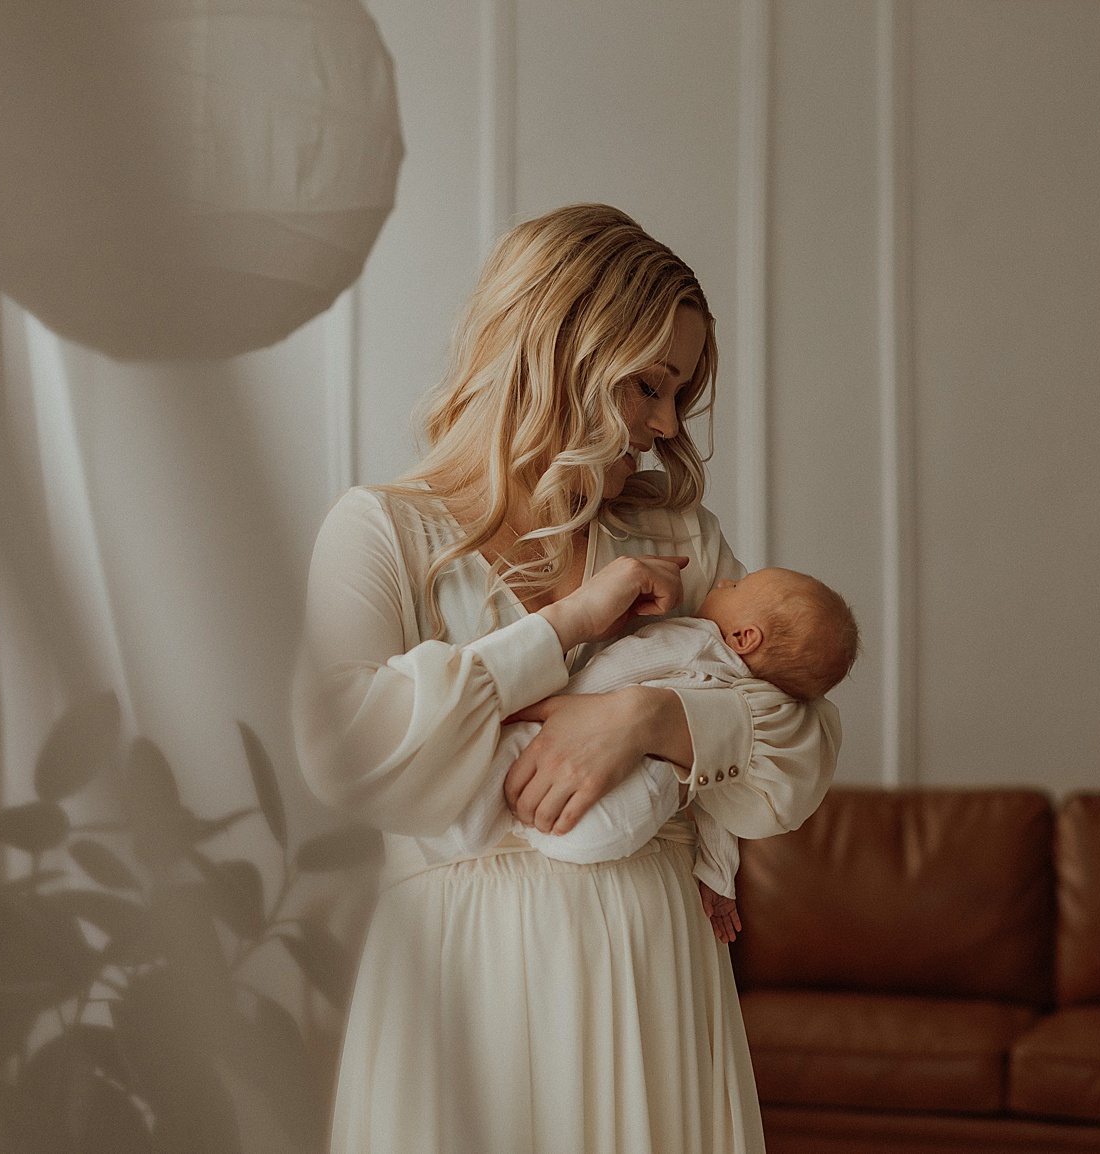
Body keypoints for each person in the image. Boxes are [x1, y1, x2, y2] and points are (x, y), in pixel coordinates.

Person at [292, 204, 841, 1152]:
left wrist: (644, 718)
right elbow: (347, 757)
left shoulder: (675, 538)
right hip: (461, 995)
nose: (666, 425)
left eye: (681, 396)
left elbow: (799, 752)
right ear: (558, 352)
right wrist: (555, 636)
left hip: (655, 981)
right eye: (651, 386)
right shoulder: (380, 532)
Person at [450, 567, 860, 944]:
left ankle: (472, 826)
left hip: (602, 793)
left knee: (506, 770)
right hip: (636, 813)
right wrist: (719, 878)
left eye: (735, 587)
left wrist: (546, 707)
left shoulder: (695, 641)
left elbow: (614, 674)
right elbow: (718, 807)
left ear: (744, 637)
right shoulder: (742, 695)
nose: (721, 583)